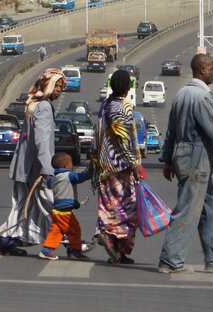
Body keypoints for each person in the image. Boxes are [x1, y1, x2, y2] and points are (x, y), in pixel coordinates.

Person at [158, 54, 213, 274]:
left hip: (183, 154)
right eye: (211, 68)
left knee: (211, 206)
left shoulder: (181, 94)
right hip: (195, 157)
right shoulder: (200, 96)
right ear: (202, 70)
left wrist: (168, 159)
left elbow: (170, 131)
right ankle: (170, 260)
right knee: (188, 209)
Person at [0, 68, 67, 256]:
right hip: (37, 169)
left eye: (61, 86)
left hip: (27, 167)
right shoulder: (43, 107)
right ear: (48, 86)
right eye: (56, 86)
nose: (59, 90)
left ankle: (6, 239)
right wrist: (47, 169)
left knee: (23, 206)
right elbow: (41, 140)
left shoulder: (35, 104)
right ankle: (71, 241)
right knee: (54, 206)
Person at [91, 70, 142, 265]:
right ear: (128, 87)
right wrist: (134, 164)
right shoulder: (125, 108)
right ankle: (116, 245)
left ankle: (116, 250)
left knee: (109, 207)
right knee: (128, 210)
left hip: (104, 166)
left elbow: (98, 134)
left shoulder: (105, 105)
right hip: (121, 168)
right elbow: (122, 139)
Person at [38, 153, 91, 260]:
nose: (72, 165)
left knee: (56, 231)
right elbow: (81, 177)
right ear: (67, 165)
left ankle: (46, 250)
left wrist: (45, 177)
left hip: (57, 211)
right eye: (71, 163)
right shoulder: (69, 175)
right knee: (75, 230)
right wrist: (91, 171)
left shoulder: (54, 178)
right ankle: (76, 251)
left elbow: (48, 183)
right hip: (65, 212)